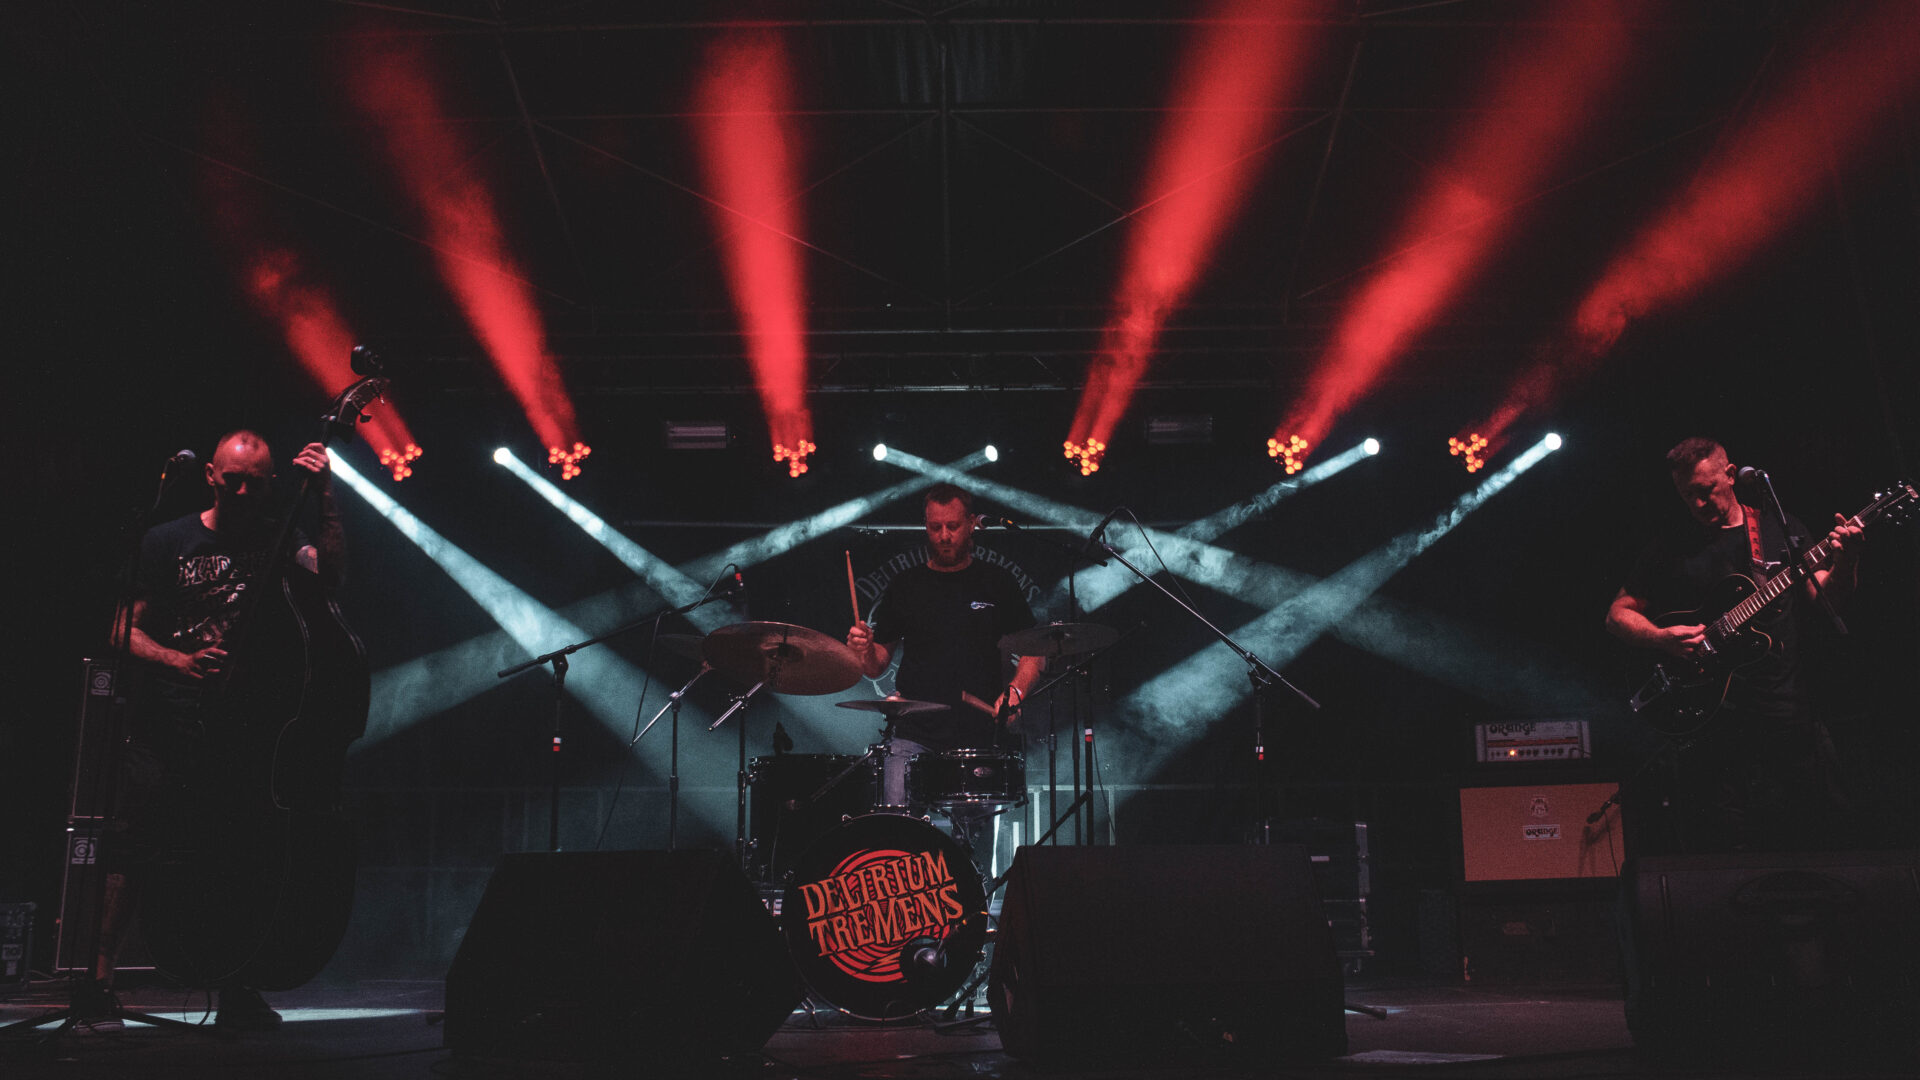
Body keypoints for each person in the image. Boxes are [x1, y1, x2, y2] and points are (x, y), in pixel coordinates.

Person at [92, 430, 343, 1031]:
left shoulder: (282, 538)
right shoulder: (166, 540)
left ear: (272, 484)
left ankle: (236, 984)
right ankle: (98, 981)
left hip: (244, 727)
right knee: (133, 846)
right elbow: (121, 629)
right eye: (232, 480)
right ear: (210, 474)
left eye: (255, 483)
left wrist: (327, 499)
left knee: (236, 855)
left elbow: (331, 582)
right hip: (165, 722)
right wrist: (177, 661)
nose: (242, 492)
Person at [1604, 436, 1861, 853]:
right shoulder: (1672, 544)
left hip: (1786, 708)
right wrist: (1661, 638)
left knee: (1820, 829)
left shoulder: (1780, 529)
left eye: (1706, 491)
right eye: (1687, 495)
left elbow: (1826, 601)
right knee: (1724, 845)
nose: (1698, 504)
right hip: (1713, 717)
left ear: (1730, 475)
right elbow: (1618, 614)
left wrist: (1847, 559)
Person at [845, 484, 1044, 855]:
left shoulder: (996, 582)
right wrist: (863, 650)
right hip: (914, 732)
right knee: (897, 840)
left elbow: (1037, 651)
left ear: (971, 524)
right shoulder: (906, 585)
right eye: (935, 527)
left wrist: (1015, 693)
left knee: (971, 855)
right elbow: (876, 665)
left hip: (977, 736)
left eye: (952, 526)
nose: (944, 535)